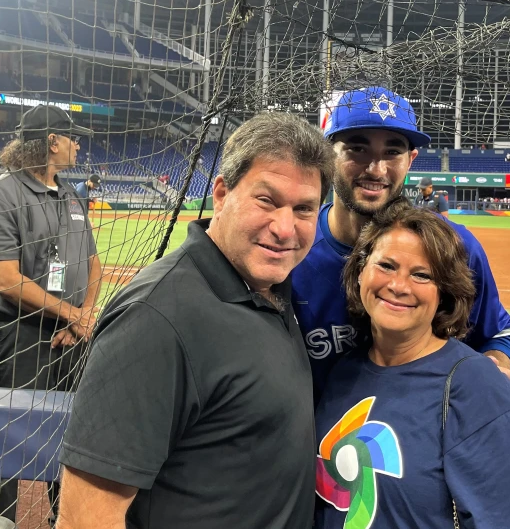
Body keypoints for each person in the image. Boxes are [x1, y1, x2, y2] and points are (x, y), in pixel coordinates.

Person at [56, 112, 334, 529]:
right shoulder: (154, 318)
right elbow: (85, 520)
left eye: (304, 209)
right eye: (266, 200)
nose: (284, 228)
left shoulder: (269, 286)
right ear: (221, 194)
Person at [315, 203, 510, 528]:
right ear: (361, 270)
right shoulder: (343, 372)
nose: (399, 285)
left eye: (421, 275)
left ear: (444, 291)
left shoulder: (482, 391)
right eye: (386, 265)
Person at [293, 86, 510, 404]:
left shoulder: (453, 246)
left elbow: (495, 334)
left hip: (425, 428)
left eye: (392, 152)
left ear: (410, 160)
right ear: (328, 154)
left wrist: (491, 374)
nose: (376, 169)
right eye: (357, 149)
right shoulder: (292, 246)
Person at [0, 104, 102, 524]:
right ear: (52, 142)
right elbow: (6, 279)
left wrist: (83, 316)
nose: (78, 145)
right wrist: (72, 314)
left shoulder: (70, 194)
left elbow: (94, 264)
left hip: (73, 337)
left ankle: (68, 520)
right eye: (72, 138)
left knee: (76, 438)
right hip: (19, 336)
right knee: (5, 439)